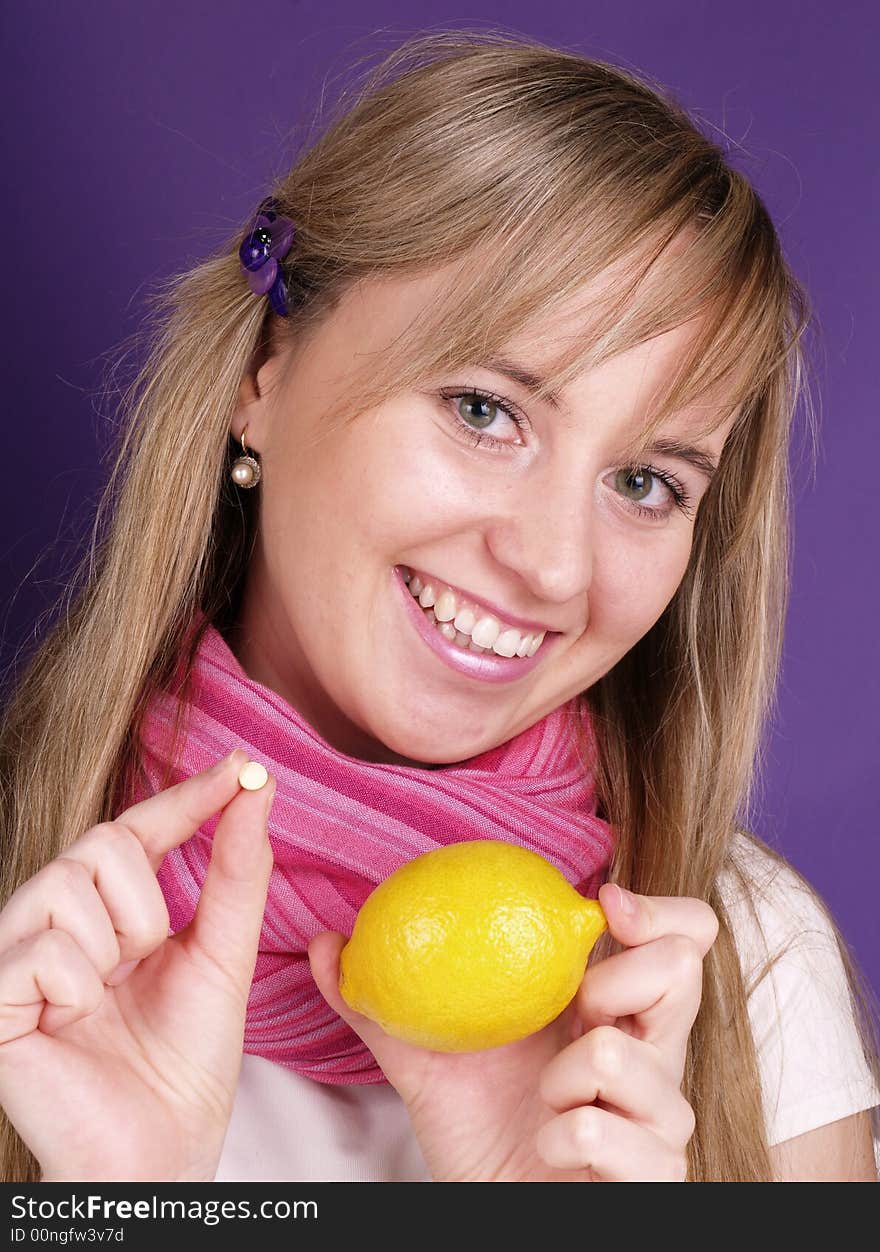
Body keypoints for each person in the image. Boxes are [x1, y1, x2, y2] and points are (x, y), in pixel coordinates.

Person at [0, 29, 877, 1184]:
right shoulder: (27, 913)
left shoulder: (746, 972)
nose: (556, 567)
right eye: (482, 409)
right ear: (264, 376)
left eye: (644, 481)